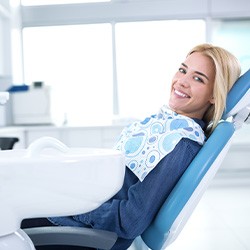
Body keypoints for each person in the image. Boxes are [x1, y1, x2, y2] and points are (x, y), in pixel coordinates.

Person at [21, 44, 241, 250]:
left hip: (83, 231)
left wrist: (73, 205)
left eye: (198, 78)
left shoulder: (179, 142)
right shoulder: (165, 125)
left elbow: (130, 220)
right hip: (73, 212)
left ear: (214, 94)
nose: (182, 81)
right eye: (182, 70)